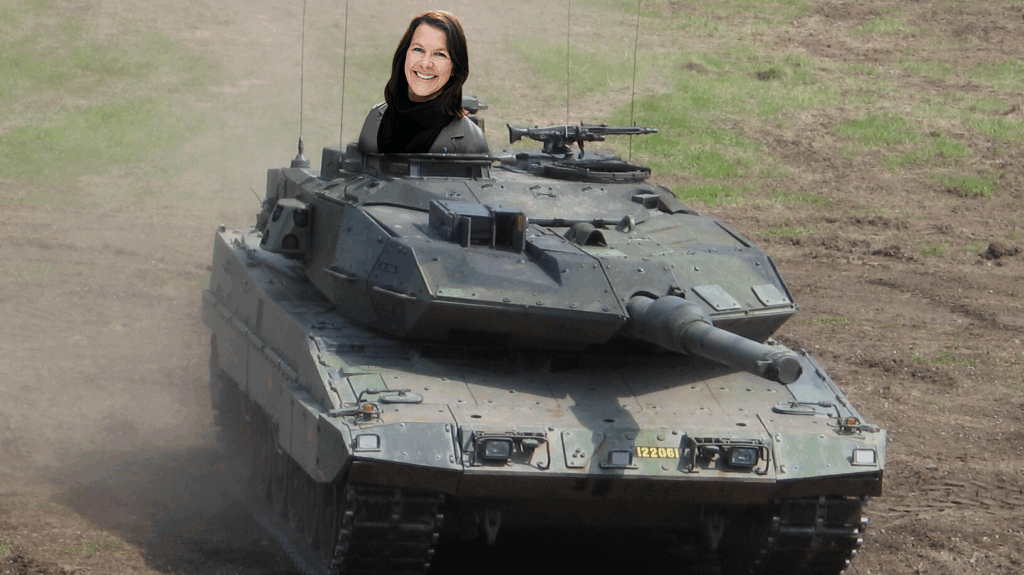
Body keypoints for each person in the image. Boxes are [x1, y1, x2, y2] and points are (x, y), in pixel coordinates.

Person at [358, 11, 489, 154]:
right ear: (405, 55)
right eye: (418, 49)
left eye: (439, 54)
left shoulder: (471, 141)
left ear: (454, 67)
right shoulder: (375, 118)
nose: (426, 63)